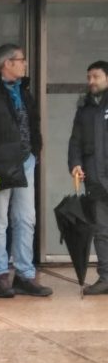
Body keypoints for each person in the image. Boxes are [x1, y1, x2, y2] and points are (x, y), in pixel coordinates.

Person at [0, 43, 52, 298]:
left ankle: (25, 274)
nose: (25, 64)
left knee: (26, 218)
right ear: (8, 63)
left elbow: (33, 122)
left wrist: (36, 150)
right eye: (21, 60)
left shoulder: (23, 90)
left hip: (25, 161)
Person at [69, 60, 108, 295]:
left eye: (96, 77)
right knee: (101, 230)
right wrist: (75, 164)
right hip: (95, 179)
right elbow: (75, 141)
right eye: (88, 77)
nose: (91, 81)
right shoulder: (84, 107)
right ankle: (105, 277)